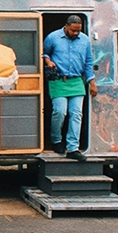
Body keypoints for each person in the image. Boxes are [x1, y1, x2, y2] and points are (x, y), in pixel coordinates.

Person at [43, 14, 97, 161]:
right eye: (73, 30)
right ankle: (56, 140)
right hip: (58, 79)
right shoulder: (53, 37)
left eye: (78, 31)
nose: (75, 33)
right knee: (60, 111)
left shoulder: (85, 40)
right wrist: (48, 62)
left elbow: (88, 62)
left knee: (76, 113)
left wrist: (92, 82)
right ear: (66, 26)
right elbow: (44, 54)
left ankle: (73, 147)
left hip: (77, 80)